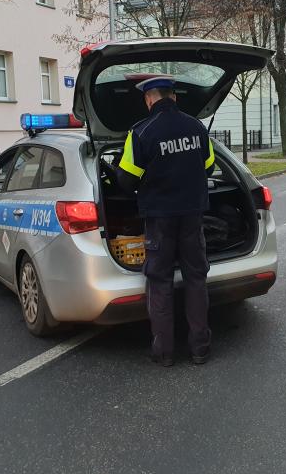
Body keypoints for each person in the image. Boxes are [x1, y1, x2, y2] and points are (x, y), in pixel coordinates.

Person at [116, 73, 215, 367]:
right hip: (192, 215)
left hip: (159, 220)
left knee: (160, 282)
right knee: (196, 278)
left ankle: (165, 353)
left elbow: (125, 179)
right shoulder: (196, 127)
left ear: (149, 100)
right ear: (175, 97)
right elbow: (208, 167)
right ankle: (200, 349)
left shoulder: (142, 132)